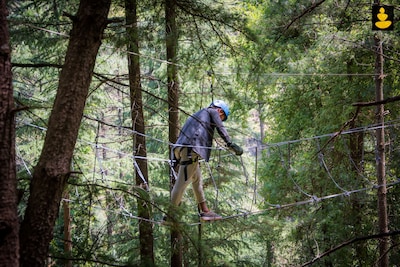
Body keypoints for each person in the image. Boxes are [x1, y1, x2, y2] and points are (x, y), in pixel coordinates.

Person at [169, 100, 243, 221]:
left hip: (183, 148)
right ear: (220, 110)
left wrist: (175, 158)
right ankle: (169, 216)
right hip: (190, 150)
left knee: (197, 180)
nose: (219, 118)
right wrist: (230, 144)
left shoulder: (197, 114)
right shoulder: (212, 111)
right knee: (181, 184)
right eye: (222, 116)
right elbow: (220, 127)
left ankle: (205, 211)